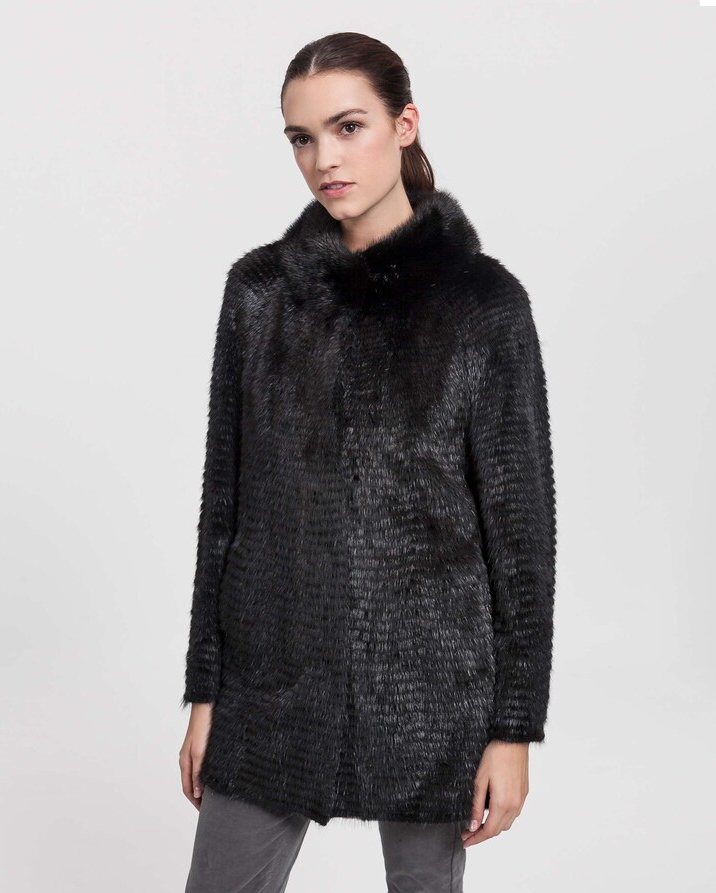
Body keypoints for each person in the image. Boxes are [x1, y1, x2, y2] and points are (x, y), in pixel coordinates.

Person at [179, 31, 556, 893]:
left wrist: (513, 728)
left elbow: (521, 540)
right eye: (302, 137)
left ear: (405, 124)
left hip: (433, 690)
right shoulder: (259, 295)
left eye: (348, 127)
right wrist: (206, 692)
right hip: (269, 687)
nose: (325, 159)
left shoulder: (483, 305)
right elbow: (223, 508)